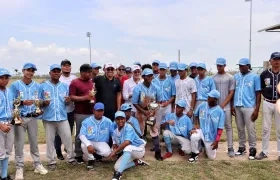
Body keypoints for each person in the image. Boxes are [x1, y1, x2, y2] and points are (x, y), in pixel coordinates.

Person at [10, 63, 48, 180]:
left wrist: (41, 108)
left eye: (32, 71)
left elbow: (41, 101)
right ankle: (19, 167)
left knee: (34, 142)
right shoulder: (15, 85)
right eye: (28, 70)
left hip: (32, 117)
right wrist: (22, 102)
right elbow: (11, 101)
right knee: (19, 144)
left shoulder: (37, 86)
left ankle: (37, 164)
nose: (30, 72)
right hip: (19, 118)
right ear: (23, 71)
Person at [41, 64, 77, 171]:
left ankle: (71, 158)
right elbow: (38, 102)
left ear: (60, 73)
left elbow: (67, 102)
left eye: (58, 71)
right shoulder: (43, 86)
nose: (56, 73)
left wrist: (68, 101)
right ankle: (51, 161)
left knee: (68, 139)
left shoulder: (64, 86)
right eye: (54, 71)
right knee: (50, 141)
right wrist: (43, 103)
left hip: (62, 117)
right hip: (48, 118)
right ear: (50, 73)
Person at [232, 58, 261, 160]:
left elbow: (258, 93)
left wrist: (257, 109)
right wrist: (232, 105)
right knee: (240, 128)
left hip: (249, 106)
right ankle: (241, 147)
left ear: (248, 66)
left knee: (251, 129)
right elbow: (233, 92)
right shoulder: (236, 76)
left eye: (242, 65)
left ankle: (252, 148)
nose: (240, 67)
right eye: (239, 65)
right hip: (237, 106)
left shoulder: (255, 77)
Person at [132, 68, 163, 160]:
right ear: (143, 76)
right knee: (140, 131)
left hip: (152, 112)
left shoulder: (156, 87)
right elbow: (134, 102)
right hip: (141, 112)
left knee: (154, 130)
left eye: (151, 75)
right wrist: (144, 111)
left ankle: (157, 152)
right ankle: (139, 153)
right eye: (147, 75)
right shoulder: (138, 88)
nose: (150, 77)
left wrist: (153, 111)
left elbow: (159, 101)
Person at [110, 111, 148, 180]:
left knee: (127, 147)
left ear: (125, 119)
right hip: (128, 152)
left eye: (122, 119)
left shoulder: (128, 127)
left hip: (139, 150)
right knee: (117, 167)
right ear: (115, 120)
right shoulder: (115, 130)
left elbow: (127, 142)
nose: (120, 121)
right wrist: (114, 147)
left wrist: (115, 151)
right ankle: (137, 162)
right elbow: (115, 141)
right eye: (118, 119)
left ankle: (118, 174)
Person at [189, 90, 225, 162]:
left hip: (211, 136)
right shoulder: (202, 105)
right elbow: (196, 114)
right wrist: (196, 124)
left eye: (210, 97)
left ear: (215, 99)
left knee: (211, 157)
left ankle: (205, 148)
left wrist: (216, 141)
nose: (208, 98)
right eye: (208, 96)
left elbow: (220, 129)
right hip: (201, 130)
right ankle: (194, 154)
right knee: (194, 136)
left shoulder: (220, 111)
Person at [256, 52, 280, 160]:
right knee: (266, 128)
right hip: (267, 102)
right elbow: (260, 90)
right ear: (270, 61)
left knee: (279, 129)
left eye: (279, 59)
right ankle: (264, 151)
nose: (277, 61)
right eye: (275, 59)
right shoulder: (264, 74)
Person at [69, 64, 94, 164]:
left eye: (91, 72)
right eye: (88, 72)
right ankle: (78, 154)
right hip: (80, 113)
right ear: (82, 73)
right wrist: (85, 98)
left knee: (90, 133)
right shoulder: (75, 83)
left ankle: (90, 152)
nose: (90, 74)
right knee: (80, 133)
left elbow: (92, 95)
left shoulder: (91, 82)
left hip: (91, 112)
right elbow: (71, 97)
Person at [212, 58, 235, 157]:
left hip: (226, 107)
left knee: (228, 127)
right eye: (217, 65)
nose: (219, 67)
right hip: (216, 107)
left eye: (220, 65)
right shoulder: (213, 77)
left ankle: (230, 147)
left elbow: (231, 92)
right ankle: (213, 146)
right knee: (214, 127)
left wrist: (224, 104)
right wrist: (217, 106)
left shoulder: (230, 77)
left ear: (225, 66)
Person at [55, 59, 77, 160]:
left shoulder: (74, 78)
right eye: (64, 65)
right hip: (60, 110)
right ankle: (58, 151)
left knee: (69, 131)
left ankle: (67, 149)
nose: (67, 67)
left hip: (71, 109)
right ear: (61, 67)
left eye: (68, 65)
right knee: (59, 132)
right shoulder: (59, 78)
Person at [79, 102, 112, 170]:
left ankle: (95, 154)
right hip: (90, 140)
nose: (99, 113)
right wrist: (88, 145)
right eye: (97, 111)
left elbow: (113, 133)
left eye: (101, 111)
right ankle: (91, 160)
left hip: (101, 142)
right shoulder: (86, 121)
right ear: (93, 111)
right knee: (83, 145)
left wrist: (114, 144)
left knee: (107, 153)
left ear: (103, 111)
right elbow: (81, 135)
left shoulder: (108, 121)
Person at [0, 68, 14, 180]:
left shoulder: (9, 91)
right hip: (0, 125)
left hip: (10, 124)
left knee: (7, 151)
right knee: (0, 152)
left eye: (6, 78)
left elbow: (13, 108)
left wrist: (16, 119)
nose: (4, 80)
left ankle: (4, 175)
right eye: (1, 78)